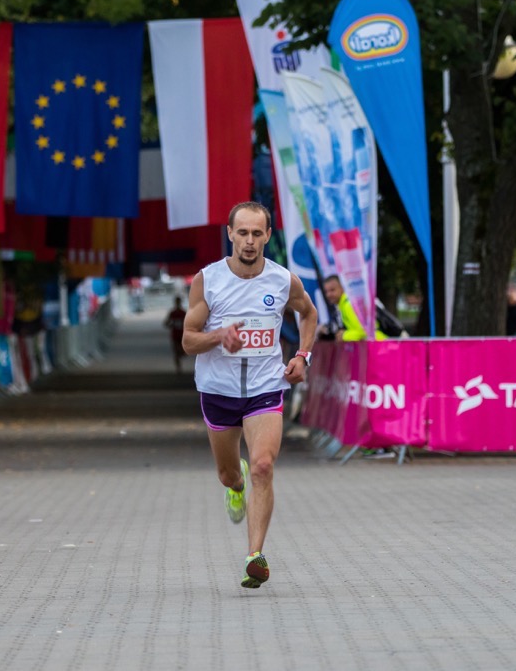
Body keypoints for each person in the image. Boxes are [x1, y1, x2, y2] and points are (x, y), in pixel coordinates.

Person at [182, 201, 318, 589]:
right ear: (230, 233)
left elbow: (308, 314)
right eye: (242, 232)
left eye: (257, 233)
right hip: (218, 390)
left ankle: (254, 556)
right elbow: (188, 341)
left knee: (263, 465)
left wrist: (302, 356)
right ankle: (236, 486)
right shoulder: (208, 280)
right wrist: (217, 336)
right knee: (230, 473)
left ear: (268, 236)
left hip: (265, 388)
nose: (249, 241)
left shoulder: (282, 280)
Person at [321, 274, 386, 341]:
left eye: (332, 290)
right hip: (376, 343)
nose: (328, 295)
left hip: (378, 344)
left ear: (342, 288)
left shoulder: (349, 305)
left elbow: (365, 331)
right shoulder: (345, 304)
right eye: (326, 292)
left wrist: (344, 335)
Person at [163, 296, 187, 373]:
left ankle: (181, 355)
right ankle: (178, 368)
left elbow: (188, 323)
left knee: (183, 351)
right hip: (175, 335)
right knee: (176, 352)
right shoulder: (172, 313)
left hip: (182, 335)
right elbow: (166, 323)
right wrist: (171, 325)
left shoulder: (183, 313)